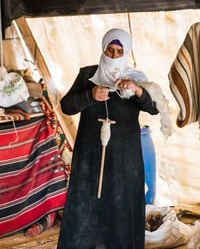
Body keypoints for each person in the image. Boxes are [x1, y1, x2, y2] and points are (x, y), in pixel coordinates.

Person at [57, 28, 159, 249]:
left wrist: (138, 91)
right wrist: (89, 95)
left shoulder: (135, 79)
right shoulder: (88, 76)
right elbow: (66, 106)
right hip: (89, 157)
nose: (113, 56)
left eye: (119, 51)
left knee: (120, 207)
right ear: (103, 49)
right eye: (110, 50)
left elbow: (155, 108)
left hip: (124, 160)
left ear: (127, 53)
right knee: (87, 204)